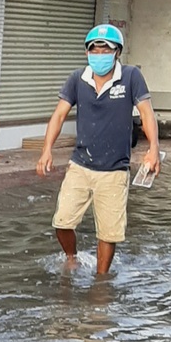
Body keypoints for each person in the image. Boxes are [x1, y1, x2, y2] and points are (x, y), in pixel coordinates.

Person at [36, 23, 160, 275]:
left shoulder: (131, 76)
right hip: (80, 165)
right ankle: (71, 258)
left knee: (108, 232)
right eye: (95, 49)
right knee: (62, 222)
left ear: (117, 53)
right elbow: (59, 115)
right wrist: (46, 149)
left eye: (106, 50)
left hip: (115, 169)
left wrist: (154, 149)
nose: (100, 54)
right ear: (87, 52)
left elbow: (147, 114)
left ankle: (100, 280)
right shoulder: (76, 79)